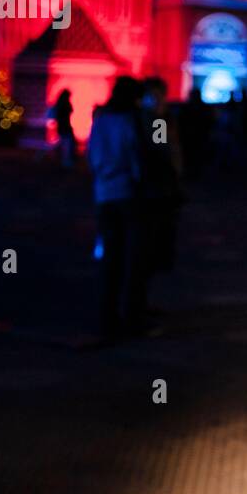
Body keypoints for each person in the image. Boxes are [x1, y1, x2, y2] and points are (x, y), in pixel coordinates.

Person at [88, 76, 147, 341]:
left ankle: (104, 318)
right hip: (127, 193)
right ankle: (130, 318)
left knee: (109, 258)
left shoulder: (100, 120)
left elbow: (93, 157)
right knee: (131, 259)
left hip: (103, 193)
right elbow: (135, 158)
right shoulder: (128, 121)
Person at [138, 77, 183, 291]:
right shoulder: (156, 121)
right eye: (154, 96)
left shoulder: (155, 120)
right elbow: (163, 151)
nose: (157, 101)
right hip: (154, 192)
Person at [48, 89, 76, 169]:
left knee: (64, 143)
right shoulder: (65, 104)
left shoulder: (59, 104)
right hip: (65, 126)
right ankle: (66, 161)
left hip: (62, 126)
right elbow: (70, 111)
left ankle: (63, 159)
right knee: (67, 144)